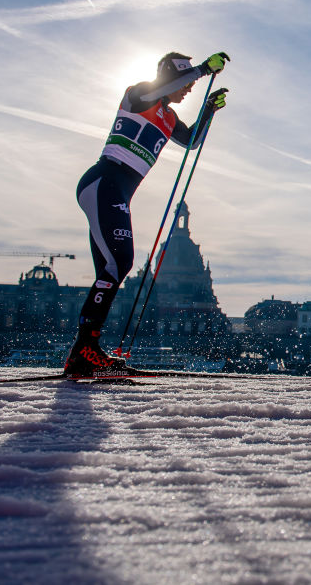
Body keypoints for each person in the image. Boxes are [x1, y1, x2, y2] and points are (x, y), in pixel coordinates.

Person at [64, 51, 230, 377]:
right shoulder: (139, 95)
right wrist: (201, 70)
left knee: (110, 270)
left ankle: (83, 352)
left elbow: (192, 141)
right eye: (185, 82)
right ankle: (84, 351)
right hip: (103, 183)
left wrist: (209, 110)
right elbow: (168, 86)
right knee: (120, 262)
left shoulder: (168, 118)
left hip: (115, 193)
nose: (189, 89)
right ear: (171, 76)